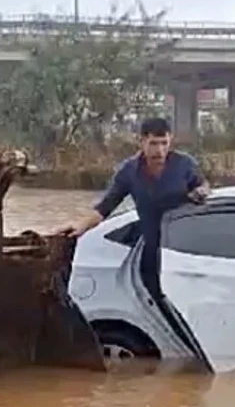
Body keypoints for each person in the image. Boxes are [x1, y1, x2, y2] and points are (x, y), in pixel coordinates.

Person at [61, 117, 210, 302]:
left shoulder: (184, 164)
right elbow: (105, 207)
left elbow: (203, 185)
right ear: (141, 141)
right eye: (153, 143)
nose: (160, 150)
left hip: (183, 251)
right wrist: (80, 226)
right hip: (151, 253)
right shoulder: (129, 171)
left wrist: (200, 192)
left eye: (164, 143)